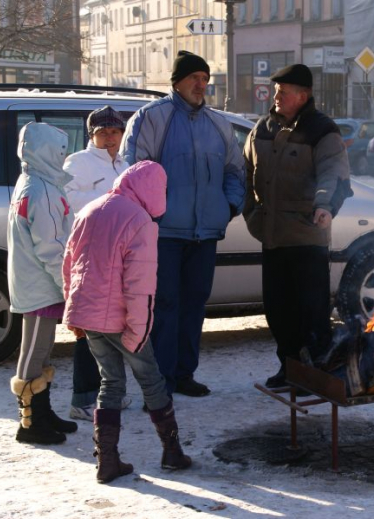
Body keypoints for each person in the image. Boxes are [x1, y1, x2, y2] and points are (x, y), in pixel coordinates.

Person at [122, 50, 245, 398]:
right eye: (194, 78)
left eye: (205, 79)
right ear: (176, 81)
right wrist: (152, 216)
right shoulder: (151, 118)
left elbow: (235, 172)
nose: (201, 85)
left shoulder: (219, 125)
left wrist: (228, 206)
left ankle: (184, 373)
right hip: (163, 234)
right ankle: (159, 382)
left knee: (194, 305)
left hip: (205, 234)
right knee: (164, 306)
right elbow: (133, 172)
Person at [63, 160, 192, 484]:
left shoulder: (91, 209)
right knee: (152, 381)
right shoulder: (140, 221)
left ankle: (107, 461)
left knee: (110, 382)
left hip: (89, 316)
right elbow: (140, 285)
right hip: (122, 319)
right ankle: (172, 452)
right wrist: (139, 330)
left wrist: (73, 310)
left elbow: (69, 265)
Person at [242, 64, 352, 388]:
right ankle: (289, 368)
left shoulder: (322, 130)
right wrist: (251, 213)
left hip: (307, 237)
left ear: (303, 96)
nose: (276, 96)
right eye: (276, 90)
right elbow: (243, 172)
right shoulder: (262, 129)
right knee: (278, 311)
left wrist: (324, 206)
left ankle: (316, 372)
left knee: (311, 312)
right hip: (273, 237)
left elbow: (333, 175)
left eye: (283, 91)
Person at [7, 122, 78, 445]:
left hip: (39, 283)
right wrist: (68, 287)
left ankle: (42, 411)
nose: (63, 159)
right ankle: (30, 422)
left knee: (43, 351)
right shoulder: (41, 190)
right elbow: (50, 247)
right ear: (47, 153)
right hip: (40, 285)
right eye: (59, 153)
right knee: (34, 353)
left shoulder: (37, 182)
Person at [63, 106, 133, 421]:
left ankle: (110, 392)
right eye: (102, 132)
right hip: (90, 258)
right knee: (90, 328)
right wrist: (108, 202)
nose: (109, 137)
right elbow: (68, 203)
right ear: (91, 135)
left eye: (114, 131)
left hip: (121, 257)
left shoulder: (126, 164)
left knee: (115, 327)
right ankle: (83, 397)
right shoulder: (77, 163)